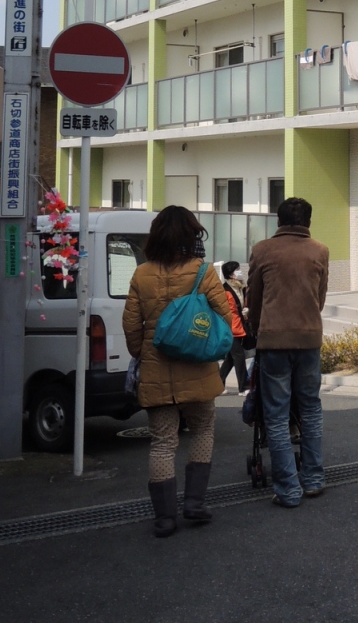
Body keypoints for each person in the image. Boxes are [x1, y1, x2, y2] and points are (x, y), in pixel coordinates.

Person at [122, 206, 233, 538]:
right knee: (202, 430)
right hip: (198, 367)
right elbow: (224, 318)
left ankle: (165, 518)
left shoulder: (141, 274)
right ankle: (194, 503)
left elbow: (131, 326)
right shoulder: (203, 272)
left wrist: (143, 352)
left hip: (156, 369)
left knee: (162, 443)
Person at [247, 197, 328, 508]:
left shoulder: (262, 250)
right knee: (311, 410)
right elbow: (319, 299)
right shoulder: (320, 250)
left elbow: (254, 299)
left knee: (277, 416)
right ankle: (314, 479)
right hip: (309, 340)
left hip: (273, 342)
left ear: (278, 222)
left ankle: (288, 489)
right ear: (308, 222)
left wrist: (259, 327)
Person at [218, 261, 250, 394]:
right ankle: (244, 387)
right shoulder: (225, 290)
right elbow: (227, 311)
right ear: (231, 274)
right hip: (230, 328)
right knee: (239, 357)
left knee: (231, 359)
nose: (240, 272)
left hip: (238, 327)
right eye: (237, 269)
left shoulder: (240, 288)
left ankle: (218, 384)